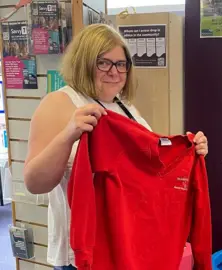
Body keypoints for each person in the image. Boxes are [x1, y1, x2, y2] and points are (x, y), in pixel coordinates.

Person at [23, 24, 208, 270]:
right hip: (81, 255)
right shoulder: (59, 103)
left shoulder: (126, 108)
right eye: (104, 63)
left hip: (128, 247)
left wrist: (190, 149)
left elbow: (152, 167)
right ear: (84, 62)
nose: (115, 72)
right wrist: (68, 135)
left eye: (121, 64)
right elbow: (34, 183)